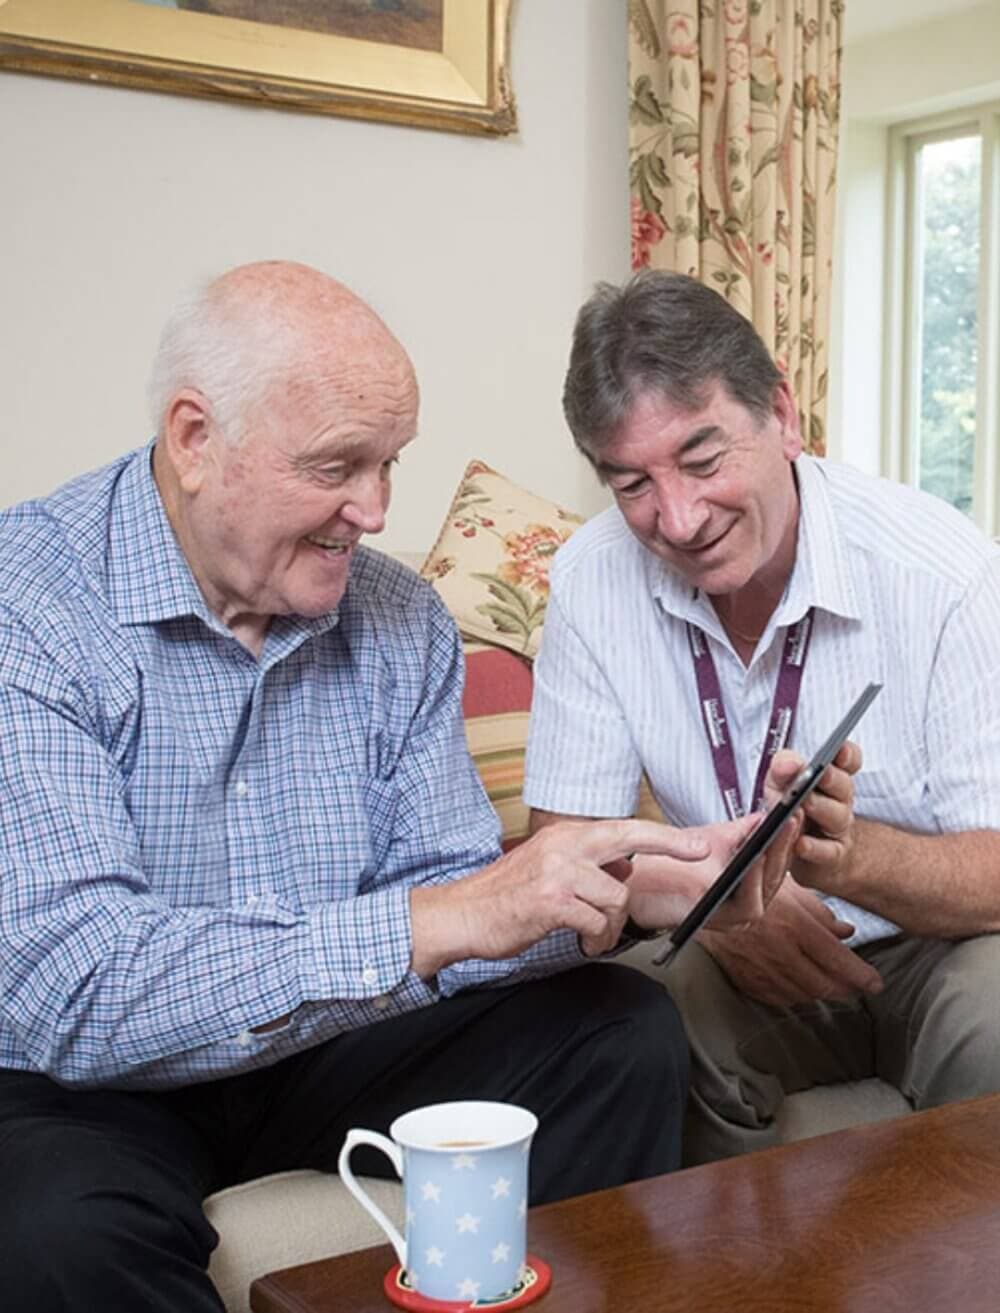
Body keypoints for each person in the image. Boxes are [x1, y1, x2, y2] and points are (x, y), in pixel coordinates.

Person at [0, 261, 796, 1312]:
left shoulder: (394, 617)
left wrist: (620, 890)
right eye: (339, 466)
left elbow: (459, 902)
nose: (373, 511)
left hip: (324, 1040)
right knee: (54, 1230)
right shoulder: (30, 606)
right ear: (195, 441)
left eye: (390, 465)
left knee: (616, 1031)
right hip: (81, 1079)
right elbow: (78, 987)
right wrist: (440, 918)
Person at [524, 269, 1000, 1164]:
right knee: (608, 1023)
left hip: (947, 950)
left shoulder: (946, 572)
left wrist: (854, 860)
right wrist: (714, 899)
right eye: (631, 483)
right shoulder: (591, 578)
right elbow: (567, 843)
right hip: (728, 946)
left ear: (782, 412)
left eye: (704, 460)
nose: (678, 516)